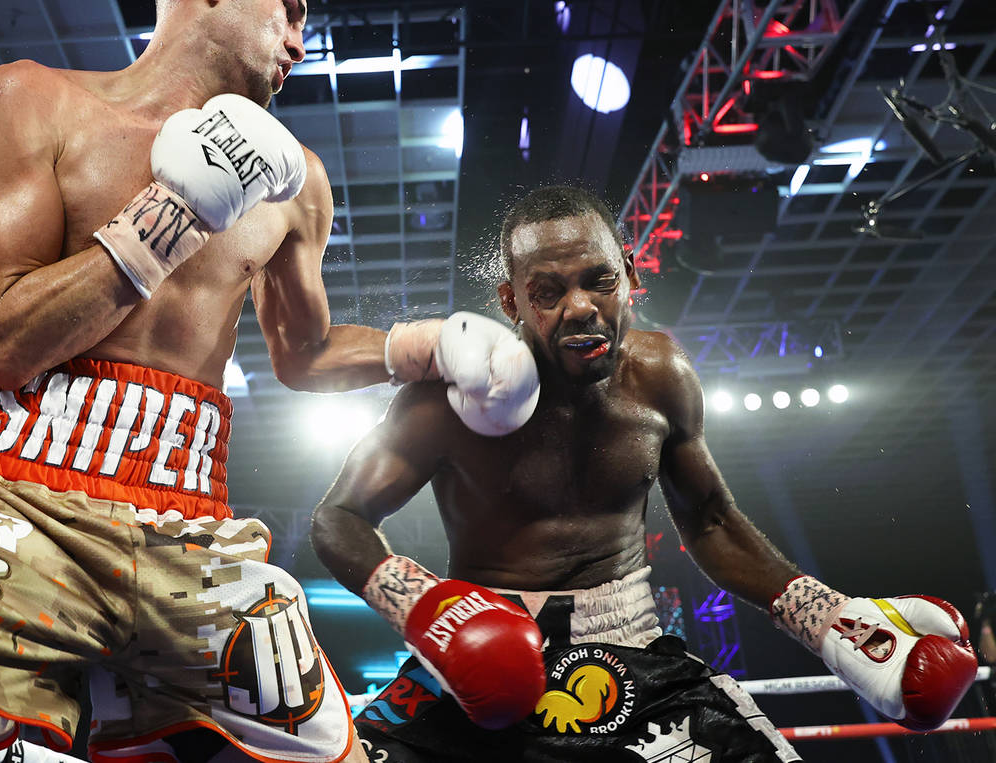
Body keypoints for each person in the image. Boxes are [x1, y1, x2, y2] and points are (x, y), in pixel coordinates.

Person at [0, 0, 538, 763]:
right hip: (11, 497)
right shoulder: (28, 102)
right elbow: (4, 339)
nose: (301, 40)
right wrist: (169, 219)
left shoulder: (296, 181)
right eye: (290, 10)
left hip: (188, 528)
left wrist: (430, 345)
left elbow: (305, 350)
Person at [311, 184, 978, 762]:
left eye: (597, 279)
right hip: (474, 656)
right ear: (511, 301)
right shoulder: (444, 401)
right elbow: (339, 516)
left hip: (636, 655)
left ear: (628, 275)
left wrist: (835, 623)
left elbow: (712, 519)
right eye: (548, 290)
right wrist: (432, 610)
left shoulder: (661, 375)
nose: (579, 306)